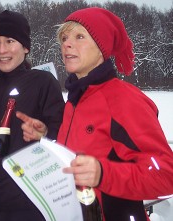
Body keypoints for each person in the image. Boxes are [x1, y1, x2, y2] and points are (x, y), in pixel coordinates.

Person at [16, 7, 173, 221]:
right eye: (64, 38)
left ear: (102, 48)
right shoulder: (76, 98)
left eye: (79, 36)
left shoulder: (124, 99)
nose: (67, 44)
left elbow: (166, 174)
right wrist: (47, 136)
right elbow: (85, 150)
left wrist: (104, 174)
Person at [0, 10, 65, 221]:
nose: (1, 50)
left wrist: (46, 133)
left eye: (10, 41)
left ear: (25, 47)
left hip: (27, 204)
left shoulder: (43, 83)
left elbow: (61, 140)